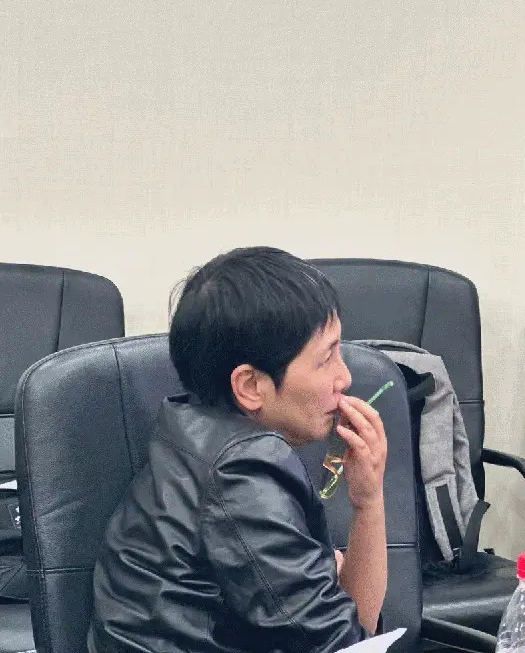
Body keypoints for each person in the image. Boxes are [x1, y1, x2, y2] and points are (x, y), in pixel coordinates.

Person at [88, 246, 388, 653]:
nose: (345, 377)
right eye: (326, 358)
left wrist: (367, 500)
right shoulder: (241, 471)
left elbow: (349, 629)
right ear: (250, 386)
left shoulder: (191, 431)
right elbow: (345, 646)